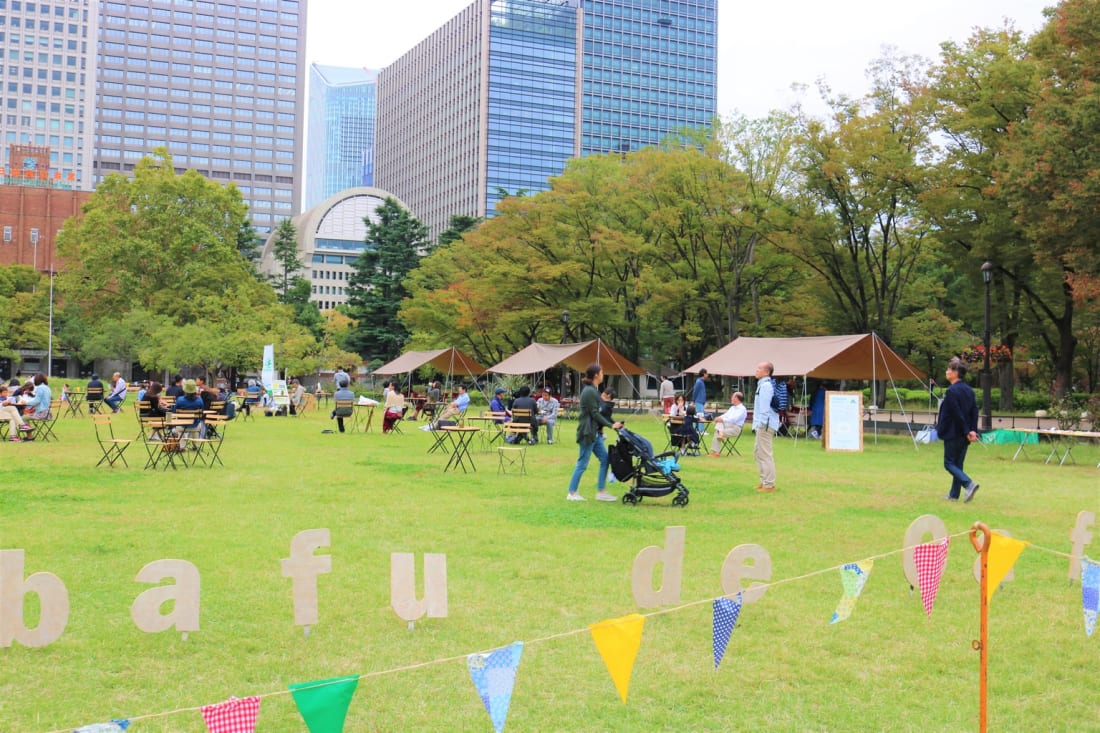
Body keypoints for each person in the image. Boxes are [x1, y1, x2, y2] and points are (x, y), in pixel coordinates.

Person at [566, 364, 623, 502]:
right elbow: (595, 414)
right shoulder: (590, 391)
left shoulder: (594, 390)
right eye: (602, 372)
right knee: (582, 463)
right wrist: (611, 425)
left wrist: (613, 423)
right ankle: (572, 493)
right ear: (596, 375)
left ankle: (601, 492)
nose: (603, 374)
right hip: (588, 432)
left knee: (605, 459)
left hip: (595, 433)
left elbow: (601, 412)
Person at [936, 357, 980, 502]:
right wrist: (973, 430)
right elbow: (974, 411)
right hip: (965, 433)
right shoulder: (969, 390)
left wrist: (967, 430)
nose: (947, 371)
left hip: (954, 432)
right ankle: (954, 494)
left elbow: (957, 414)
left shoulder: (952, 391)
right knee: (958, 464)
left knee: (949, 463)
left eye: (949, 369)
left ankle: (968, 484)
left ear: (955, 372)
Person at [752, 361, 780, 492]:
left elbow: (764, 408)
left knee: (765, 454)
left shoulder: (766, 386)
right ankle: (764, 481)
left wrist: (761, 425)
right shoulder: (762, 385)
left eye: (759, 368)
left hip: (765, 424)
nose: (756, 370)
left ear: (767, 372)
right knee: (758, 452)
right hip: (762, 424)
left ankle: (769, 484)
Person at [708, 391, 747, 456]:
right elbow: (725, 415)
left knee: (718, 430)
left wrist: (722, 419)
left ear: (736, 398)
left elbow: (734, 419)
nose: (731, 398)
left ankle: (716, 452)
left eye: (732, 397)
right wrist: (718, 418)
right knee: (719, 423)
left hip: (735, 428)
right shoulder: (732, 408)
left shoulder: (742, 409)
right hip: (728, 426)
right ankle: (721, 434)